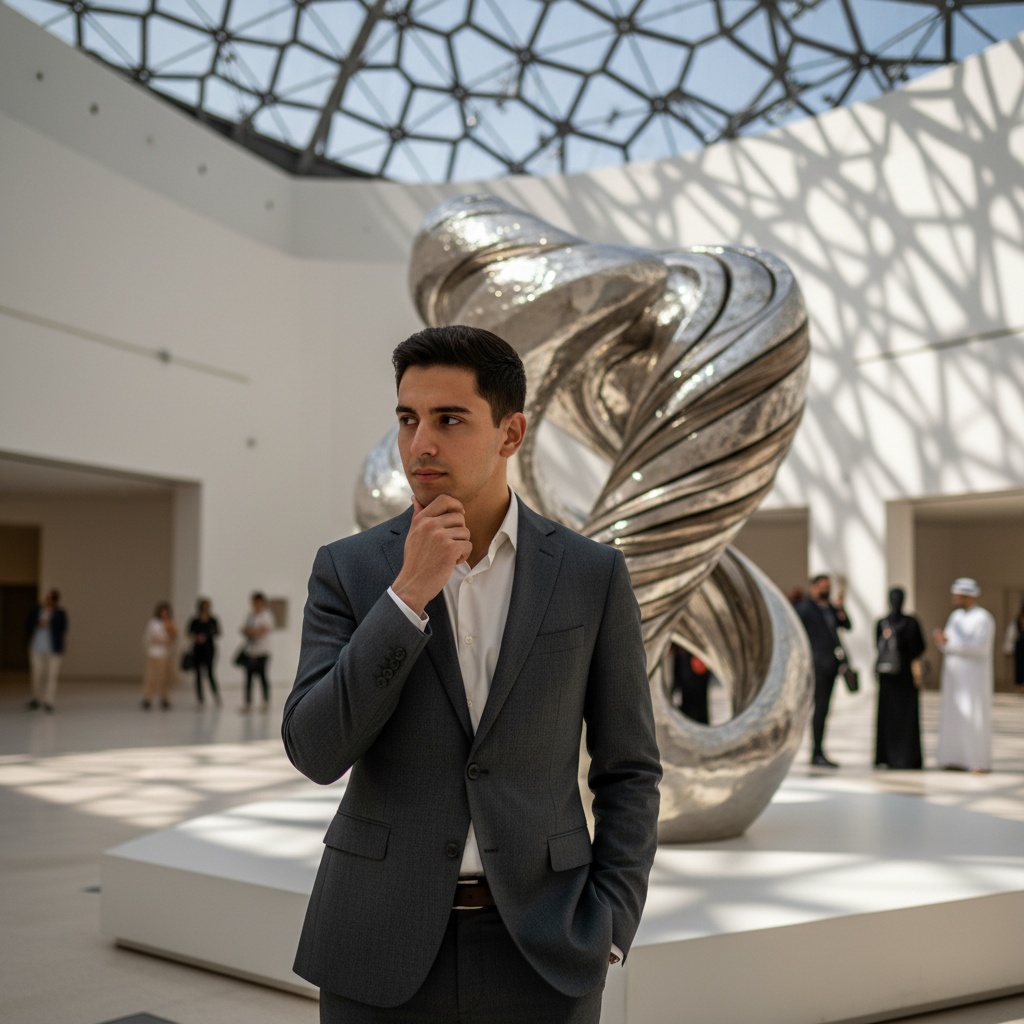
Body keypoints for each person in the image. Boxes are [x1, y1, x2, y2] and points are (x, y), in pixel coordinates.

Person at [282, 325, 662, 1024]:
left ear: (510, 433)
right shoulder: (351, 569)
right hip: (375, 940)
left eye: (449, 419)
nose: (420, 443)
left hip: (545, 945)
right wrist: (406, 599)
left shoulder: (589, 575)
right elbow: (314, 749)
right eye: (407, 419)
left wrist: (610, 924)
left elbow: (629, 767)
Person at [935, 577, 996, 772]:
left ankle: (976, 761)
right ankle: (953, 758)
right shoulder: (955, 617)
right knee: (954, 716)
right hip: (954, 677)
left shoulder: (983, 618)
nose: (955, 600)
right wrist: (942, 641)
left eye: (959, 596)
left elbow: (980, 648)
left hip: (973, 679)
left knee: (973, 715)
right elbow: (948, 645)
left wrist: (951, 644)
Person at [795, 573, 853, 768]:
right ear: (814, 587)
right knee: (817, 709)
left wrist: (841, 610)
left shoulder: (831, 608)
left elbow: (847, 626)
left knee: (824, 709)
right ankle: (815, 752)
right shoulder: (804, 608)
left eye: (828, 586)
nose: (826, 590)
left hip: (831, 665)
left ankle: (819, 751)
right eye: (823, 586)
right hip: (815, 665)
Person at [873, 587, 926, 769]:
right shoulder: (889, 623)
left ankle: (900, 757)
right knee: (891, 717)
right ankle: (891, 756)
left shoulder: (887, 623)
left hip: (899, 678)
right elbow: (919, 647)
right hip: (896, 677)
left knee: (905, 718)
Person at [26, 588, 68, 713]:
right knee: (37, 674)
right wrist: (39, 622)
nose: (49, 600)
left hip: (54, 650)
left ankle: (49, 701)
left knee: (51, 676)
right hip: (37, 648)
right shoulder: (37, 611)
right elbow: (28, 625)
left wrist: (50, 621)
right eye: (47, 598)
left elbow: (63, 627)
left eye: (51, 598)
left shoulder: (60, 613)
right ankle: (36, 698)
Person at [239, 591, 274, 712]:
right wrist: (254, 631)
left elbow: (264, 629)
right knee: (248, 679)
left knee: (263, 677)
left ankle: (265, 702)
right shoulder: (250, 615)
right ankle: (248, 703)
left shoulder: (266, 615)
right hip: (250, 651)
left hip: (263, 651)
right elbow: (243, 629)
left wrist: (252, 631)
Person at [141, 601, 177, 710]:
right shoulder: (153, 623)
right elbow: (150, 637)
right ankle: (147, 697)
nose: (164, 614)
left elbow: (174, 636)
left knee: (166, 677)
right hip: (155, 653)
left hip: (167, 653)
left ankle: (164, 697)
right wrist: (161, 641)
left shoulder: (170, 622)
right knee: (152, 676)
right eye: (162, 612)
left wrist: (169, 635)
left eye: (166, 612)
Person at [187, 597, 221, 707]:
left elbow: (217, 632)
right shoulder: (195, 620)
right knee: (198, 675)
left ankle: (216, 696)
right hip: (198, 650)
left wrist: (207, 636)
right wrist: (197, 638)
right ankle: (200, 699)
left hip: (209, 649)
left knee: (210, 673)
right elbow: (189, 632)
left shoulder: (213, 620)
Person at [671, 644, 711, 724]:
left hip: (695, 654)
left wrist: (699, 656)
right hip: (684, 654)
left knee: (696, 698)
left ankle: (698, 724)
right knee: (687, 696)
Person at [1002, 603, 1024, 693]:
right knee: (1020, 667)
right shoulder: (1016, 622)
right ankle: (1020, 685)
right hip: (1020, 647)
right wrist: (1008, 649)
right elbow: (1011, 635)